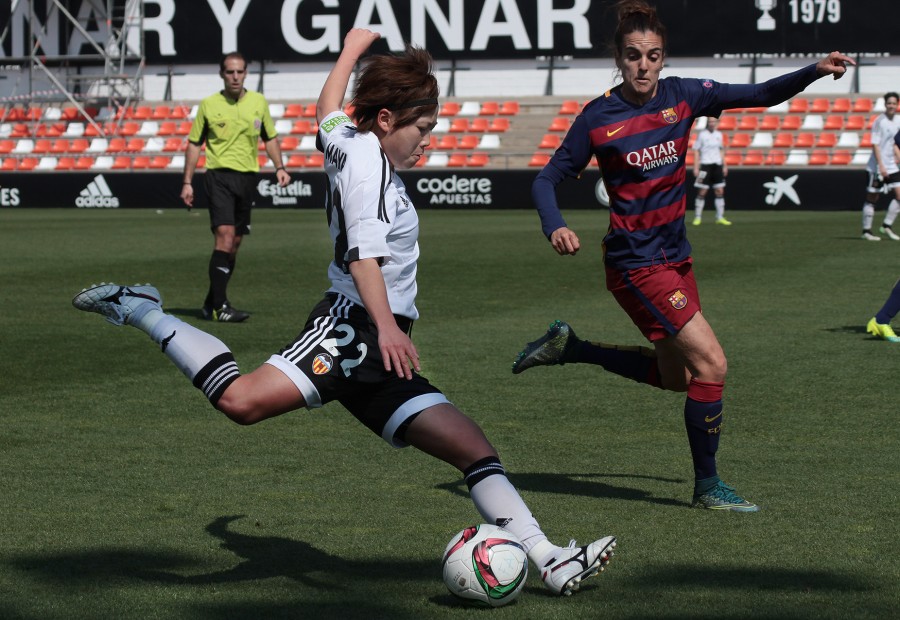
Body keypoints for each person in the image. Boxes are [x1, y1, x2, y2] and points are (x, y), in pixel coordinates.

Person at [73, 29, 615, 597]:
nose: (426, 143)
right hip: (353, 330)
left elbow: (327, 108)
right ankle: (139, 307)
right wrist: (386, 329)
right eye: (422, 129)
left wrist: (354, 46)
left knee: (472, 448)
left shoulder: (351, 141)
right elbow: (363, 259)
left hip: (379, 341)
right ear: (385, 120)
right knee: (240, 401)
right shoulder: (370, 174)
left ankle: (550, 560)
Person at [513, 0, 854, 512]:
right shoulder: (597, 117)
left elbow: (758, 93)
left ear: (663, 58)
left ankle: (572, 348)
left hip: (676, 259)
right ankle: (708, 487)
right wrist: (554, 224)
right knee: (713, 364)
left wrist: (813, 70)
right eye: (633, 56)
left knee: (680, 380)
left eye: (652, 55)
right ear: (619, 59)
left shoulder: (685, 95)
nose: (643, 65)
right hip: (635, 265)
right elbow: (547, 178)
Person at [180, 52, 292, 322]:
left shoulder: (258, 102)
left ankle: (210, 303)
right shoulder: (208, 105)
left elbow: (270, 137)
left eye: (239, 72)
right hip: (218, 176)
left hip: (247, 179)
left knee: (235, 244)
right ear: (222, 74)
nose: (235, 76)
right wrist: (187, 181)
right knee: (225, 237)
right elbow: (195, 143)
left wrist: (280, 167)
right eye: (230, 72)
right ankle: (221, 307)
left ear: (245, 74)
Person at [860, 92, 900, 241]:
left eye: (894, 103)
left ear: (897, 104)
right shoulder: (879, 121)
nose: (891, 106)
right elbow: (875, 145)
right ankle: (866, 231)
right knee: (872, 198)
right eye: (889, 103)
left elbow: (895, 144)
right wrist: (881, 166)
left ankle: (886, 226)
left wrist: (898, 158)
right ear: (885, 104)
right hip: (876, 166)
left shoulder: (898, 121)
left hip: (892, 165)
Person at [691, 116, 730, 226]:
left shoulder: (719, 135)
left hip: (717, 165)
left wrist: (724, 165)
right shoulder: (702, 135)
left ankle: (720, 217)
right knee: (702, 191)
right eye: (710, 121)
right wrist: (696, 167)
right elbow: (696, 151)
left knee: (720, 191)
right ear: (708, 123)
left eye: (714, 121)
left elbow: (721, 150)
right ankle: (697, 217)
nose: (712, 123)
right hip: (705, 165)